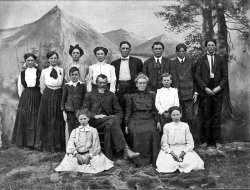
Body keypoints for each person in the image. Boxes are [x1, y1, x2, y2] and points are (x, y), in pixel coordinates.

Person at [82, 74, 140, 160]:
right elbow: (84, 111)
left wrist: (116, 121)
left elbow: (119, 112)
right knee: (112, 119)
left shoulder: (111, 95)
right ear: (96, 83)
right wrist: (95, 116)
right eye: (100, 82)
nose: (102, 85)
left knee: (110, 124)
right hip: (95, 122)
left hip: (109, 122)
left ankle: (109, 158)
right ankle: (126, 149)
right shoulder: (89, 95)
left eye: (104, 83)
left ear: (107, 83)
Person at [55, 109, 114, 173]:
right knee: (68, 162)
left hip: (89, 154)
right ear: (78, 120)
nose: (83, 121)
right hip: (78, 154)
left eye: (85, 119)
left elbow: (96, 146)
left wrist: (90, 156)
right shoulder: (75, 131)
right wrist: (76, 154)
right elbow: (70, 144)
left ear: (88, 118)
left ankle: (90, 162)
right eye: (81, 119)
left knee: (98, 162)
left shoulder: (93, 130)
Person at [195, 39, 228, 149]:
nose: (211, 47)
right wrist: (205, 88)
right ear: (205, 47)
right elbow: (197, 76)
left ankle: (217, 141)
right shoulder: (200, 59)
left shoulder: (221, 59)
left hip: (217, 91)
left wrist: (219, 87)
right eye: (208, 45)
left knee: (216, 116)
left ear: (215, 47)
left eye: (213, 45)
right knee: (206, 116)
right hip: (205, 91)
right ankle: (206, 141)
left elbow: (225, 76)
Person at [124, 73, 161, 166]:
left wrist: (158, 121)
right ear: (136, 84)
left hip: (149, 118)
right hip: (136, 118)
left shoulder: (152, 95)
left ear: (146, 84)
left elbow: (154, 110)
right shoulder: (131, 96)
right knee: (136, 132)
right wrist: (126, 124)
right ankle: (138, 161)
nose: (142, 85)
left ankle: (152, 160)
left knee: (152, 131)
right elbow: (128, 111)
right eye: (140, 83)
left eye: (144, 83)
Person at [156, 106, 204, 173]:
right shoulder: (167, 126)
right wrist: (172, 153)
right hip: (171, 149)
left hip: (183, 149)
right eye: (173, 115)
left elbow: (190, 143)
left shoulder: (185, 125)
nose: (176, 117)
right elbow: (164, 144)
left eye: (177, 114)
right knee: (167, 164)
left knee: (193, 163)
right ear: (171, 116)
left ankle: (183, 164)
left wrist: (183, 152)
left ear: (181, 115)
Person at [35, 51, 65, 152]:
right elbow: (42, 86)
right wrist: (47, 95)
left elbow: (62, 83)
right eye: (51, 58)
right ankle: (48, 145)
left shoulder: (61, 70)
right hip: (48, 94)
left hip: (59, 93)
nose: (53, 60)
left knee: (57, 118)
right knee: (48, 118)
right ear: (48, 60)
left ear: (58, 59)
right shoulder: (44, 71)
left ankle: (58, 145)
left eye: (55, 58)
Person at [12, 53, 41, 148]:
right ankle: (25, 142)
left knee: (36, 118)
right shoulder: (22, 73)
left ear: (34, 61)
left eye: (32, 60)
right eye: (28, 60)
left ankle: (35, 143)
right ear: (26, 61)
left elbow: (42, 86)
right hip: (26, 97)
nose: (30, 62)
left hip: (37, 95)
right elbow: (20, 88)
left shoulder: (39, 72)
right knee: (26, 118)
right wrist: (24, 99)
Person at [171, 43, 198, 136]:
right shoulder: (172, 63)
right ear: (176, 52)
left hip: (189, 93)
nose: (181, 53)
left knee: (190, 117)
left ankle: (190, 139)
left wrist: (195, 91)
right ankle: (179, 138)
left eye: (183, 51)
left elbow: (195, 78)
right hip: (177, 94)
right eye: (179, 51)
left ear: (186, 52)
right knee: (178, 117)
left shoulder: (191, 62)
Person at [111, 41, 143, 113]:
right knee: (121, 106)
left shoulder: (137, 61)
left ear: (130, 50)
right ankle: (122, 124)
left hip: (132, 87)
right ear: (120, 49)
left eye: (127, 48)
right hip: (120, 87)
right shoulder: (114, 63)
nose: (125, 50)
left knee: (132, 106)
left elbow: (141, 75)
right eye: (123, 48)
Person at [61, 66, 87, 136]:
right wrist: (63, 111)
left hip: (80, 110)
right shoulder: (67, 86)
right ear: (69, 76)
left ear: (79, 75)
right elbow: (63, 99)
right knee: (71, 129)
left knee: (80, 128)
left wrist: (83, 110)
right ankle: (71, 145)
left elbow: (85, 98)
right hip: (70, 111)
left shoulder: (82, 85)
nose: (74, 76)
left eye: (76, 75)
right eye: (72, 75)